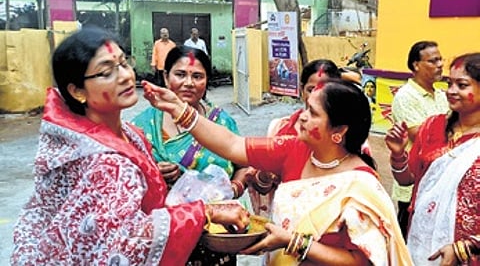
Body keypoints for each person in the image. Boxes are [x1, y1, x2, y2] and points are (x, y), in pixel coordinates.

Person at [10, 26, 250, 265]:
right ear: (77, 91)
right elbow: (124, 245)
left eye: (124, 63)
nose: (125, 76)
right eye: (106, 73)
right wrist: (204, 212)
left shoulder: (130, 135)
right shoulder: (103, 162)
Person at [143, 78, 413, 265]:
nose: (302, 116)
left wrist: (291, 242)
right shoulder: (293, 149)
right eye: (305, 106)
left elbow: (361, 260)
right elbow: (231, 144)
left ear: (339, 132)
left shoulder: (362, 186)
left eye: (313, 112)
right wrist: (180, 110)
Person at [132, 45, 247, 265]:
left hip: (216, 239)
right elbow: (127, 183)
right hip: (166, 238)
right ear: (166, 78)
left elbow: (244, 165)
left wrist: (234, 188)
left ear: (206, 82)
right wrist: (154, 176)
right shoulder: (142, 126)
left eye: (197, 76)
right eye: (180, 74)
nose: (188, 83)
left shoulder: (221, 122)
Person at [385, 52, 480, 265]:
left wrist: (464, 248)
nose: (451, 91)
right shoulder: (432, 127)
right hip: (422, 244)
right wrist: (398, 154)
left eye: (462, 85)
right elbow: (407, 180)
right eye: (449, 83)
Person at [246, 59, 342, 218]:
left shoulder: (349, 135)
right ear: (302, 90)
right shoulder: (280, 129)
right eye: (311, 89)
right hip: (286, 224)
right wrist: (265, 175)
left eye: (325, 90)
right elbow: (262, 188)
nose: (316, 97)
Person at [390, 40, 449, 238]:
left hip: (437, 180)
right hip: (412, 181)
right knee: (408, 238)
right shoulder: (406, 96)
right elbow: (420, 135)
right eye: (433, 61)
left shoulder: (441, 95)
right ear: (416, 65)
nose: (440, 65)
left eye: (440, 59)